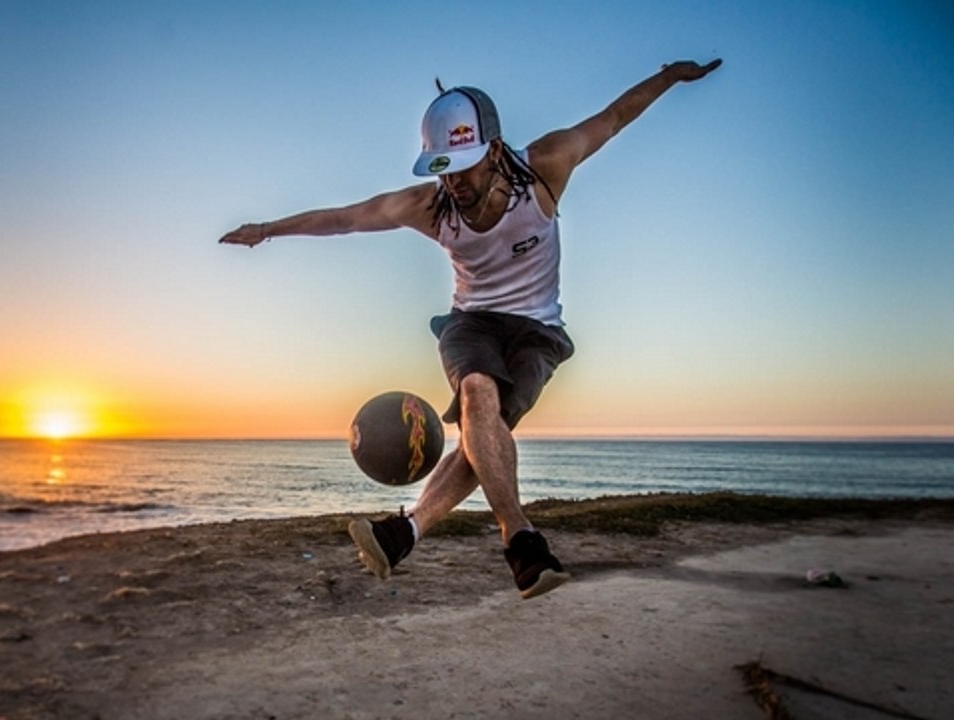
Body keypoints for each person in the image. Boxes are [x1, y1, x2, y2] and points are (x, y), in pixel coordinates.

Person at [220, 59, 722, 599]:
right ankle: (521, 541)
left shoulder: (545, 170)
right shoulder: (433, 209)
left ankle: (402, 533)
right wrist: (269, 230)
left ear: (496, 149)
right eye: (443, 168)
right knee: (477, 393)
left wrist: (670, 75)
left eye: (464, 166)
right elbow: (347, 217)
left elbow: (616, 116)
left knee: (487, 442)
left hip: (537, 332)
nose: (453, 181)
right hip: (471, 322)